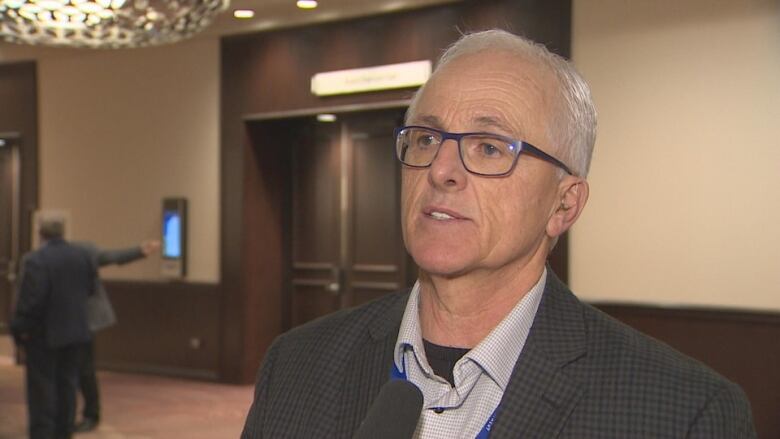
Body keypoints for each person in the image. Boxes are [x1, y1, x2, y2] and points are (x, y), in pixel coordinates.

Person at [241, 29, 756, 438]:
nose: (441, 169)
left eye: (488, 147)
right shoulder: (297, 365)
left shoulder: (683, 412)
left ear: (564, 204)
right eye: (425, 138)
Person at [11, 218, 96, 439]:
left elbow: (32, 300)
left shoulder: (35, 260)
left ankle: (43, 433)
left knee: (42, 388)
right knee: (68, 384)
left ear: (41, 234)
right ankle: (64, 430)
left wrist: (19, 329)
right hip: (76, 332)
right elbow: (90, 289)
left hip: (44, 335)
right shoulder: (82, 256)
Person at [70, 240, 161, 433]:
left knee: (85, 371)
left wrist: (140, 251)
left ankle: (91, 414)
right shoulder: (45, 257)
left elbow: (111, 257)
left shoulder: (81, 252)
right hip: (63, 323)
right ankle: (68, 414)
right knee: (70, 372)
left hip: (85, 320)